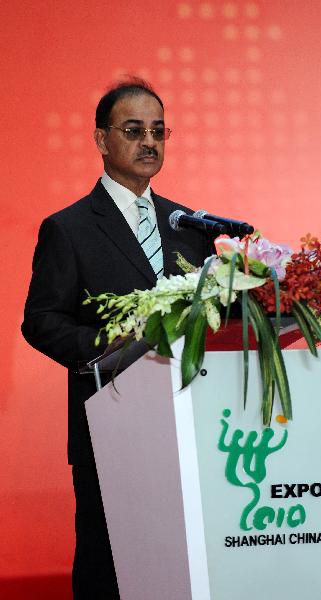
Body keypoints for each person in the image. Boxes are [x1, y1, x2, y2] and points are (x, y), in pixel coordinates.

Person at [22, 78, 213, 599]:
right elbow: (41, 320)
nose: (149, 142)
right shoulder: (70, 228)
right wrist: (104, 345)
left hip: (190, 424)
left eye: (158, 131)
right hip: (111, 421)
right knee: (111, 566)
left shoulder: (191, 227)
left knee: (186, 559)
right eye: (134, 131)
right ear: (102, 140)